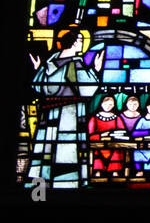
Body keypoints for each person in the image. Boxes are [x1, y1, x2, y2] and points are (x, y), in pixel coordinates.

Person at [27, 29, 103, 188]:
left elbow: (39, 86)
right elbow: (87, 89)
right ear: (74, 42)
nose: (82, 44)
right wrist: (96, 69)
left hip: (49, 114)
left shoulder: (49, 64)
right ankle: (67, 186)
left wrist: (38, 68)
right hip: (70, 115)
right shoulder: (75, 64)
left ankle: (40, 190)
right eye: (80, 40)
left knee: (46, 149)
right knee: (68, 150)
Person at [88, 93, 128, 178]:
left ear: (114, 105)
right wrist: (101, 135)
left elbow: (123, 131)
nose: (108, 106)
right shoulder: (94, 118)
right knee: (96, 152)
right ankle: (98, 172)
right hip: (98, 145)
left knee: (117, 151)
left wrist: (117, 135)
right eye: (106, 104)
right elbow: (89, 135)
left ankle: (115, 172)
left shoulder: (117, 118)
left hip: (113, 144)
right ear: (101, 103)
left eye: (110, 104)